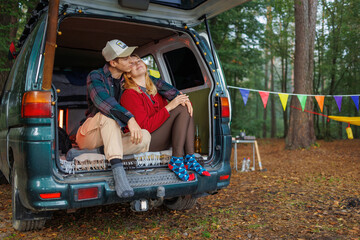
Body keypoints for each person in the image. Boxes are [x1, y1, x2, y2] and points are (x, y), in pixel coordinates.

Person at [76, 39, 171, 199]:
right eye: (126, 58)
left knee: (144, 136)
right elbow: (104, 102)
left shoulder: (126, 79)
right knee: (109, 116)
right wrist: (130, 119)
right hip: (90, 134)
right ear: (113, 62)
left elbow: (159, 84)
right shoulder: (96, 76)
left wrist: (180, 97)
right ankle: (119, 174)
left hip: (110, 140)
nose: (131, 61)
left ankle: (93, 154)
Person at [120, 55, 210, 182]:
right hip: (146, 140)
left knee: (184, 106)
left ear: (145, 65)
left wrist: (183, 102)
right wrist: (169, 107)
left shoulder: (154, 90)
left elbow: (165, 118)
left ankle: (190, 158)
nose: (137, 64)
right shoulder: (129, 94)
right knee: (180, 108)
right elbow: (144, 127)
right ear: (128, 75)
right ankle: (177, 160)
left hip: (161, 137)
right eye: (132, 64)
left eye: (139, 61)